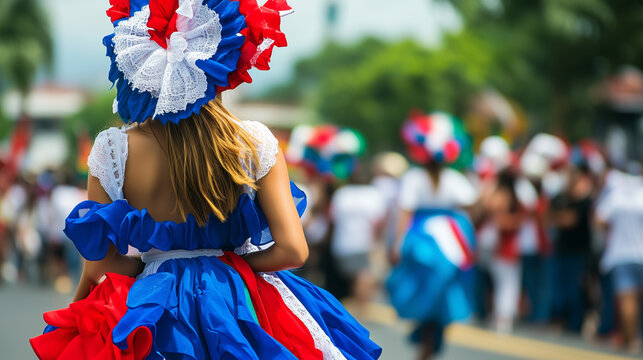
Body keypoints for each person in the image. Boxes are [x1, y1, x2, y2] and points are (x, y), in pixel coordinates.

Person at [30, 1, 381, 359]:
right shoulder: (253, 142)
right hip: (243, 305)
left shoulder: (112, 149)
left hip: (154, 311)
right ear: (222, 63)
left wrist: (157, 266)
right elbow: (294, 249)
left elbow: (100, 265)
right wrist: (229, 265)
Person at [387, 112, 477, 360]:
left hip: (421, 237)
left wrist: (397, 244)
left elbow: (404, 213)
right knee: (443, 288)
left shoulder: (414, 178)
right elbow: (471, 205)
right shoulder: (454, 178)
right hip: (450, 238)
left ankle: (425, 333)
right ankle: (431, 334)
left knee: (421, 288)